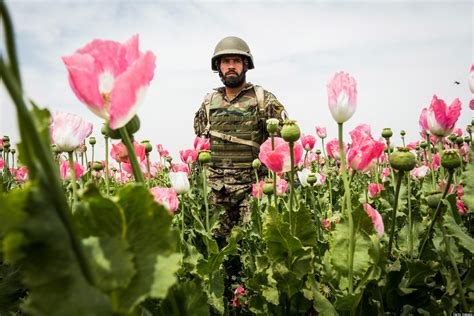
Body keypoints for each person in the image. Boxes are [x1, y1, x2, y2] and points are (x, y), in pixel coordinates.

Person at [194, 36, 288, 237]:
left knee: (253, 244)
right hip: (217, 191)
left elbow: (284, 143)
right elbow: (201, 142)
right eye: (225, 61)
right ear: (218, 67)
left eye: (236, 61)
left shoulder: (264, 99)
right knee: (218, 250)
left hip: (253, 188)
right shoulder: (209, 102)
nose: (231, 66)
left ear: (245, 65)